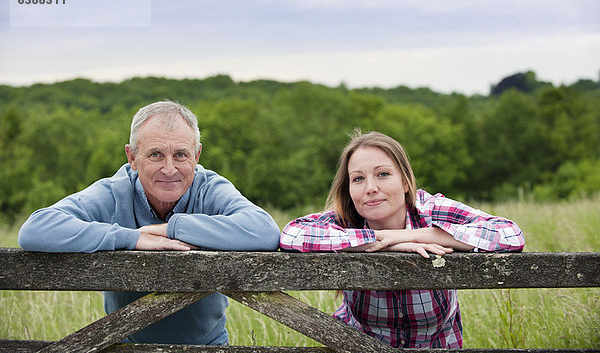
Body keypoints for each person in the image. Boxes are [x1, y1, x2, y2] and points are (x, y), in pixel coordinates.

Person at [18, 100, 281, 346]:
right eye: (155, 154)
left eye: (180, 155)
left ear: (197, 155)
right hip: (123, 346)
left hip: (208, 346)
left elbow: (264, 230)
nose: (169, 168)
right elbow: (36, 228)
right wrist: (131, 238)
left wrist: (168, 229)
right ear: (132, 157)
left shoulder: (209, 188)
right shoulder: (114, 192)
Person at [279, 130, 525, 348]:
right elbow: (292, 233)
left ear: (406, 182)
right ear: (349, 188)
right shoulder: (346, 219)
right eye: (358, 178)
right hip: (356, 346)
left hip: (436, 345)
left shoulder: (431, 209)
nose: (370, 188)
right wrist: (382, 242)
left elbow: (509, 233)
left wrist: (410, 235)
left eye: (383, 174)